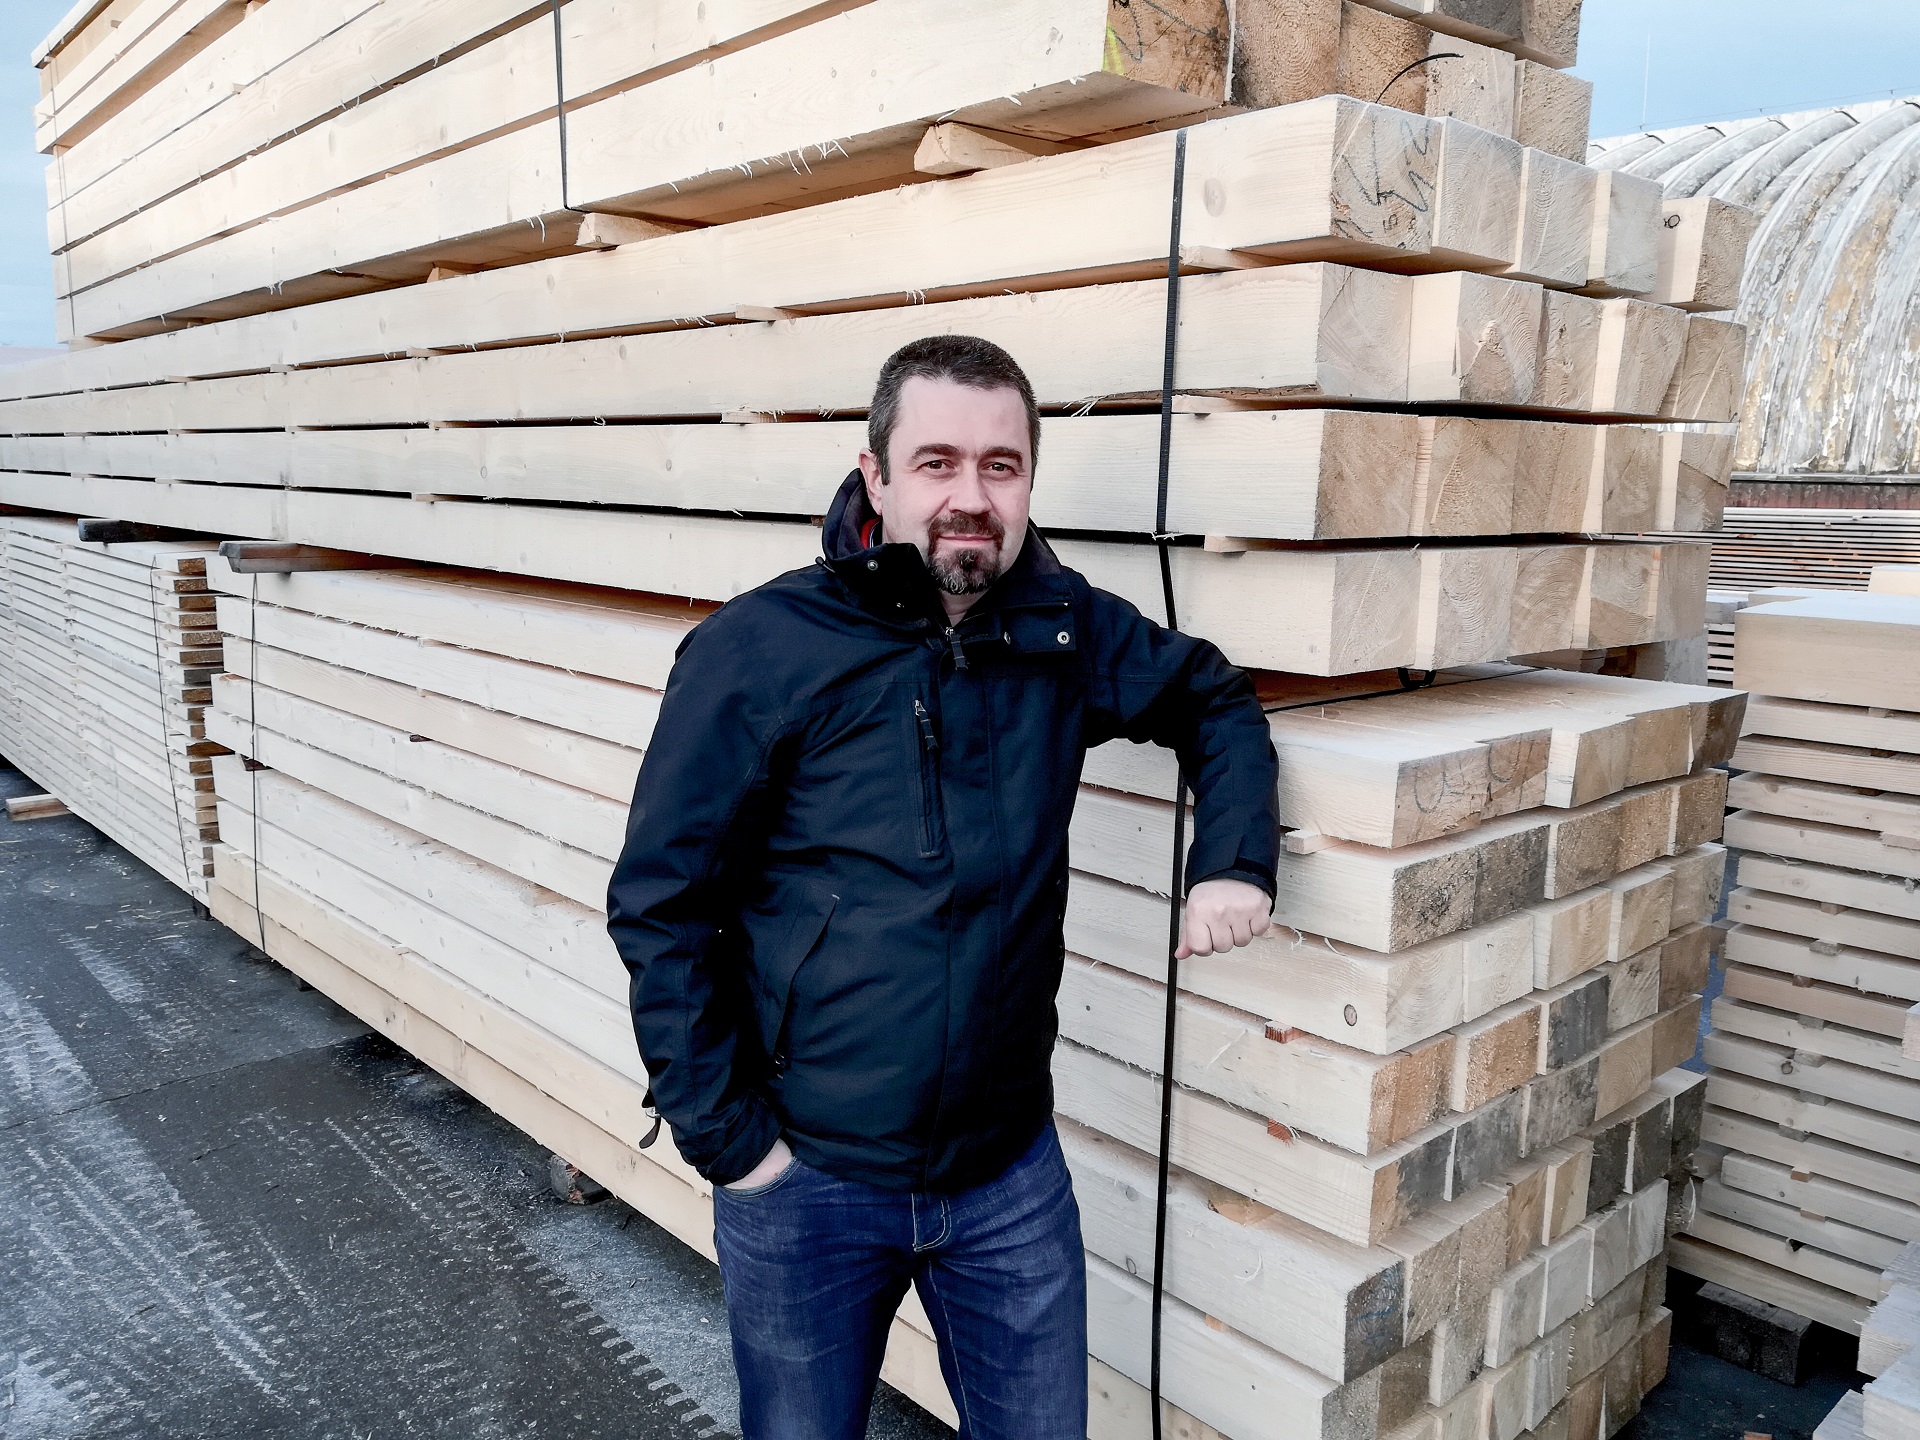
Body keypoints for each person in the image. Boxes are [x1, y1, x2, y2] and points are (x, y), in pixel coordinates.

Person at [606, 334, 1280, 1440]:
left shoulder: (1060, 629)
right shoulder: (763, 649)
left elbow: (1212, 696)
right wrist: (733, 1145)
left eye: (1000, 466)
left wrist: (1232, 863)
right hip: (810, 1181)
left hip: (1006, 1175)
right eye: (937, 463)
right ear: (874, 476)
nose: (971, 496)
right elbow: (659, 903)